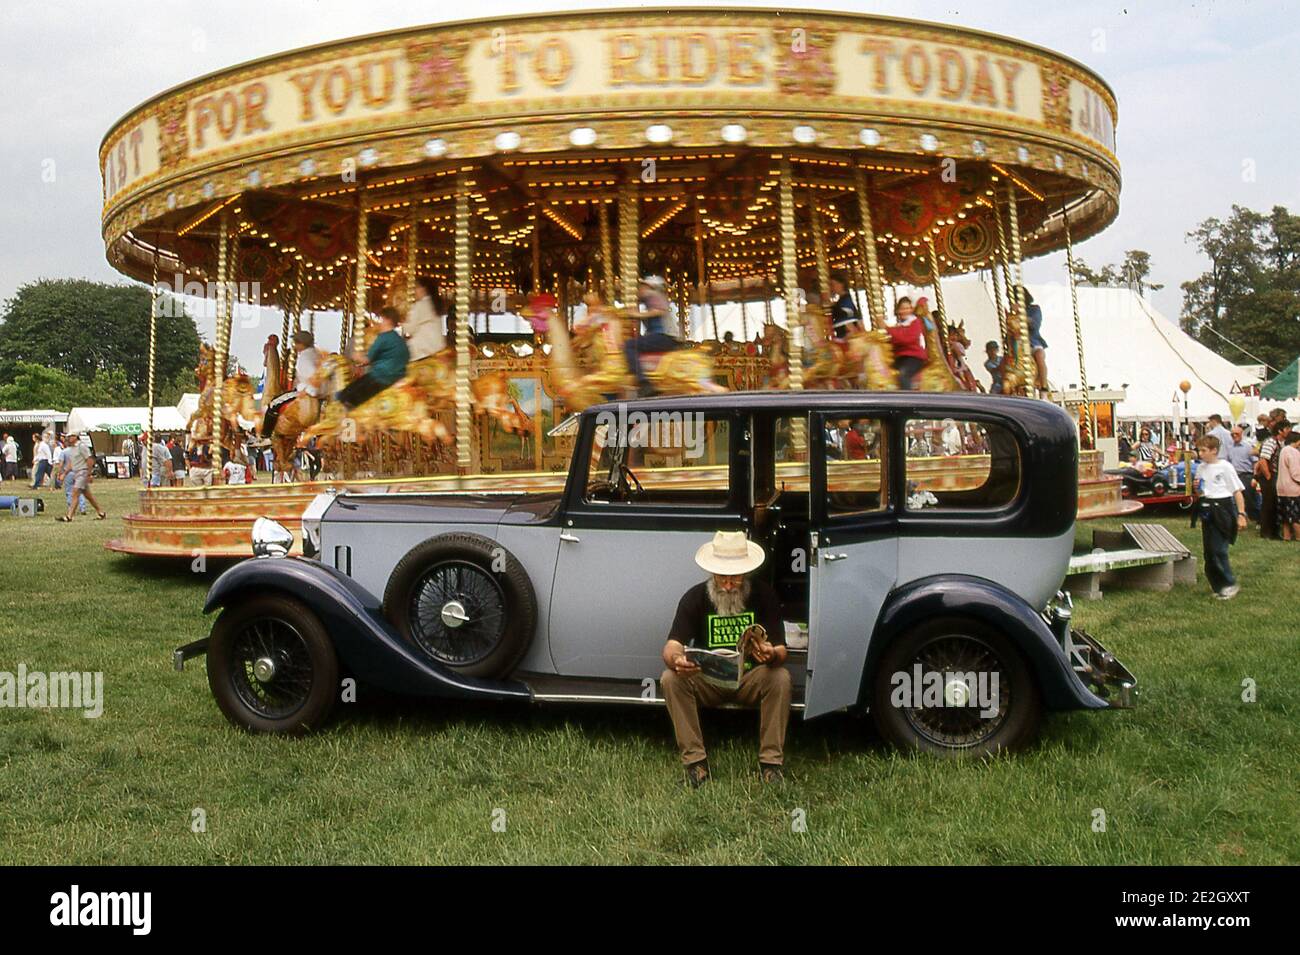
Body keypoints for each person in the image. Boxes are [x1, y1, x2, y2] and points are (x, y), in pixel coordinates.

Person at [660, 531, 790, 786]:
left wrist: (771, 653)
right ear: (712, 573)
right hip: (709, 680)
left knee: (781, 678)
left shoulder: (764, 595)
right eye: (722, 577)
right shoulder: (695, 597)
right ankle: (695, 765)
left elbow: (781, 649)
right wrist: (677, 660)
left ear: (746, 573)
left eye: (736, 577)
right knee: (670, 679)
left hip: (750, 677)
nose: (729, 584)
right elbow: (671, 646)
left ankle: (771, 765)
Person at [1193, 435, 1246, 599]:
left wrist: (1241, 514)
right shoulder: (1201, 468)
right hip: (1207, 506)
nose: (1200, 454)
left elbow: (1237, 491)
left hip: (1222, 507)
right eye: (1199, 450)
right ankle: (1218, 586)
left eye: (1204, 450)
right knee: (1209, 551)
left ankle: (1229, 583)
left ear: (1214, 450)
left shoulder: (1225, 467)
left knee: (1219, 549)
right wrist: (1197, 489)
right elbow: (1201, 491)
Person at [334, 307, 410, 409]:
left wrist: (356, 357)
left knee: (345, 396)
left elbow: (367, 360)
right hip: (397, 377)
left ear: (387, 320)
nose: (379, 323)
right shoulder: (399, 339)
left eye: (381, 319)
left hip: (381, 378)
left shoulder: (384, 337)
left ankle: (351, 419)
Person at [623, 275, 681, 393]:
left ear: (650, 287)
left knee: (629, 345)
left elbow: (659, 311)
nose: (640, 290)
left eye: (643, 287)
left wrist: (638, 315)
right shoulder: (654, 299)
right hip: (665, 338)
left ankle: (643, 382)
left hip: (664, 337)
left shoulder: (654, 295)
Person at [262, 329, 323, 435]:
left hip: (307, 392)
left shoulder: (304, 358)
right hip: (320, 394)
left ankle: (265, 435)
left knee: (273, 404)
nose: (295, 345)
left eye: (296, 343)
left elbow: (314, 377)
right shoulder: (317, 354)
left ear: (301, 343)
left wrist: (307, 390)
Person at [56, 431, 105, 521]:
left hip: (82, 472)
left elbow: (89, 460)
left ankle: (69, 516)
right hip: (77, 472)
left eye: (70, 437)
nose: (68, 439)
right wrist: (64, 473)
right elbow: (71, 463)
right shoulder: (71, 449)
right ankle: (101, 512)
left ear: (75, 437)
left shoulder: (81, 446)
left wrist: (89, 474)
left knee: (75, 492)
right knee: (88, 496)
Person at [1256, 419, 1290, 540]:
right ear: (1280, 431)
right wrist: (1269, 476)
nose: (1289, 431)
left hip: (1277, 476)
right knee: (1268, 504)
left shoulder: (1282, 443)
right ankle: (1266, 532)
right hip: (1269, 476)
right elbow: (1263, 460)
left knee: (1276, 504)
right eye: (1287, 429)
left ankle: (1274, 531)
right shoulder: (1270, 442)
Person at [886, 296, 927, 390]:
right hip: (900, 358)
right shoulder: (899, 326)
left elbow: (906, 339)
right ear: (897, 311)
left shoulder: (915, 322)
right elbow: (895, 340)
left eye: (907, 308)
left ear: (911, 310)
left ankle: (908, 399)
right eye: (902, 309)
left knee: (903, 375)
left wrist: (888, 330)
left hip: (913, 357)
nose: (904, 311)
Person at [403, 277, 447, 360]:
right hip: (437, 346)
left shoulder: (420, 305)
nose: (414, 291)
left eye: (416, 287)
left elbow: (410, 328)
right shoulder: (434, 304)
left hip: (423, 350)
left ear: (423, 289)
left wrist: (401, 324)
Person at [1222, 426, 1259, 522]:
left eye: (1236, 434)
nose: (1234, 436)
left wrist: (1255, 477)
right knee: (1234, 499)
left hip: (1246, 475)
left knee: (1250, 499)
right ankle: (1238, 518)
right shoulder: (1229, 447)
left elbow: (1255, 462)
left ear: (1241, 433)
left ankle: (1255, 518)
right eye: (1232, 434)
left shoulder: (1248, 446)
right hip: (1234, 476)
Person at [1019, 287, 1048, 393]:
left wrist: (1020, 314)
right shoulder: (1013, 311)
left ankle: (1043, 385)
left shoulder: (1034, 309)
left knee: (1039, 355)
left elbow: (1035, 324)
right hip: (1018, 345)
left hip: (1033, 343)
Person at [1275, 431, 1300, 541]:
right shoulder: (1294, 452)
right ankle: (1299, 536)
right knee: (1295, 516)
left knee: (1285, 516)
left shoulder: (1283, 450)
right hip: (1292, 488)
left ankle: (1286, 536)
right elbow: (1295, 472)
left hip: (1281, 488)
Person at [828, 271, 863, 339]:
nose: (831, 288)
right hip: (842, 334)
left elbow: (849, 321)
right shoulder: (842, 300)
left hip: (846, 335)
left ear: (841, 284)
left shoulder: (846, 300)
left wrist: (852, 335)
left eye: (833, 284)